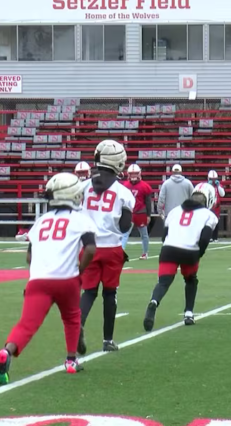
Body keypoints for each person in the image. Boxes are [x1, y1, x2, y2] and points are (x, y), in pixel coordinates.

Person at [0, 172, 97, 385]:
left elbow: (30, 256)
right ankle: (70, 360)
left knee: (26, 325)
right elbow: (90, 249)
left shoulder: (41, 221)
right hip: (66, 279)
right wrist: (80, 271)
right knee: (71, 318)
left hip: (38, 280)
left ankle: (7, 351)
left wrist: (34, 277)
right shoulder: (81, 220)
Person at [78, 140, 135, 353]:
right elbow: (124, 226)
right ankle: (108, 340)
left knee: (89, 292)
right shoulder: (124, 192)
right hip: (111, 247)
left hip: (88, 246)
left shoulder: (82, 187)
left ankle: (79, 325)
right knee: (110, 294)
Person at [143, 183, 218, 330]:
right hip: (190, 251)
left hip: (169, 250)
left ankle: (153, 302)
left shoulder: (175, 211)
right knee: (190, 280)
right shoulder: (209, 215)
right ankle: (188, 313)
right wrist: (198, 254)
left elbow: (164, 236)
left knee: (163, 282)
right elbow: (204, 239)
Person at [121, 164, 154, 259]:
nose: (134, 176)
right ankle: (121, 252)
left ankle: (145, 252)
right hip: (129, 213)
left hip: (140, 213)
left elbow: (148, 202)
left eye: (135, 173)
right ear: (128, 174)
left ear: (139, 173)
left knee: (144, 234)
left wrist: (148, 215)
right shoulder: (125, 186)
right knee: (125, 234)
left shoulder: (145, 186)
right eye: (132, 174)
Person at [206, 170, 225, 242]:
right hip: (209, 206)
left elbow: (222, 194)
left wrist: (218, 186)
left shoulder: (218, 186)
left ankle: (215, 237)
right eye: (212, 179)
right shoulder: (206, 186)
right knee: (208, 222)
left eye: (214, 179)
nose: (213, 181)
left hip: (216, 206)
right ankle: (209, 236)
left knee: (216, 222)